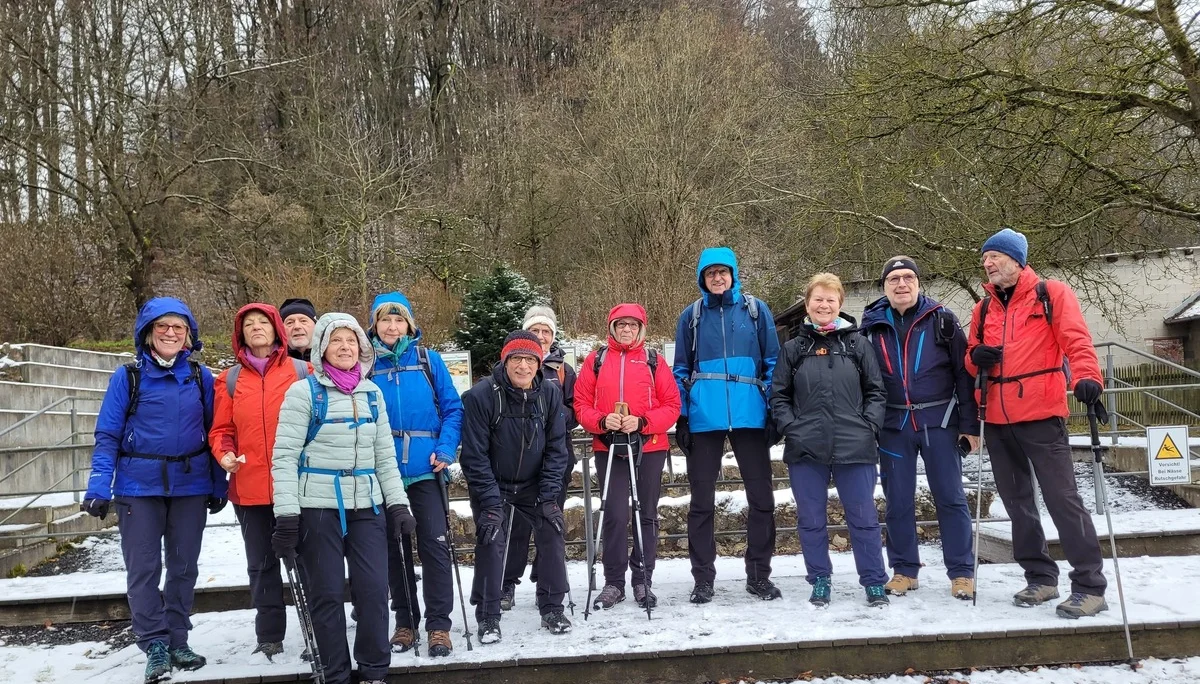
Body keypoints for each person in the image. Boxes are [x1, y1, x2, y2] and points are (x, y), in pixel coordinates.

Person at [965, 227, 1110, 619]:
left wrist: (1088, 377)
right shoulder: (983, 309)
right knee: (1017, 504)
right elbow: (969, 357)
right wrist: (975, 355)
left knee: (1063, 500)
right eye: (985, 258)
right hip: (996, 417)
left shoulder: (1050, 294)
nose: (988, 263)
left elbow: (1076, 340)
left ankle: (1090, 585)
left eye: (994, 256)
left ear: (1016, 259)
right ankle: (1040, 577)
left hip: (1042, 414)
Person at [81, 297, 227, 684]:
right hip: (137, 487)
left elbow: (216, 434)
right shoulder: (127, 377)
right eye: (162, 326)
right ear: (148, 333)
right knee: (143, 569)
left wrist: (217, 483)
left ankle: (178, 637)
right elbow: (108, 434)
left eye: (178, 328)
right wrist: (99, 485)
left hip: (190, 484)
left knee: (183, 567)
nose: (170, 333)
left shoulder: (200, 378)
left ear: (188, 336)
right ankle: (154, 642)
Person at [270, 313, 416, 684]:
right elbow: (284, 456)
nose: (345, 347)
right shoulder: (303, 393)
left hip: (367, 506)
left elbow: (385, 456)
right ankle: (335, 673)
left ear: (362, 348)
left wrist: (398, 504)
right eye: (336, 341)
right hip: (318, 509)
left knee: (371, 590)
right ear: (321, 349)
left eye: (352, 341)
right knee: (328, 593)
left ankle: (373, 671)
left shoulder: (372, 393)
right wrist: (287, 515)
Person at [861, 257, 980, 600]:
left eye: (908, 277)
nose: (902, 284)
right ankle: (903, 571)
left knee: (951, 497)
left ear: (918, 282)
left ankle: (961, 573)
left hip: (939, 421)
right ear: (884, 286)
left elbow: (964, 374)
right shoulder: (870, 326)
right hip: (893, 425)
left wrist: (969, 425)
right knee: (898, 500)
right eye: (894, 279)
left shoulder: (942, 320)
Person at [770, 273, 889, 607]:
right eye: (818, 299)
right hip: (806, 448)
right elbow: (778, 396)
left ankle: (873, 582)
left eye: (830, 299)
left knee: (864, 518)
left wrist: (869, 426)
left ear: (840, 304)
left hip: (856, 445)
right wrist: (792, 427)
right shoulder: (793, 348)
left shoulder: (858, 344)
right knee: (811, 520)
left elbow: (876, 391)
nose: (824, 305)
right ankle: (819, 579)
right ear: (808, 304)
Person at [671, 247, 781, 604]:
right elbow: (681, 369)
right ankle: (703, 579)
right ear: (702, 279)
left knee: (762, 499)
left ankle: (759, 575)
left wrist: (773, 410)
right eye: (710, 273)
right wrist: (683, 416)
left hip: (751, 416)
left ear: (734, 274)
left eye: (723, 272)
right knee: (701, 503)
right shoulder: (691, 316)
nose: (717, 278)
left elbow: (773, 361)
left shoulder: (755, 310)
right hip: (705, 419)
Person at [208, 303, 310, 659]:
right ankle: (269, 636)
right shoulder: (229, 379)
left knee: (306, 561)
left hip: (298, 486)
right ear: (240, 334)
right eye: (248, 324)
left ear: (276, 329)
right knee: (261, 565)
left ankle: (317, 632)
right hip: (249, 488)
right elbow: (221, 430)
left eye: (262, 322)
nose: (256, 328)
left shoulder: (303, 371)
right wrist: (224, 454)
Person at [367, 291, 464, 657]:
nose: (392, 327)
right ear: (374, 324)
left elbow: (454, 408)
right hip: (383, 472)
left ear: (409, 324)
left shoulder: (428, 360)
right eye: (385, 320)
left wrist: (445, 447)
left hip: (426, 468)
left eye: (399, 319)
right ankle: (405, 621)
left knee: (435, 547)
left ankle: (439, 625)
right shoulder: (364, 363)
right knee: (394, 550)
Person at [458, 331, 571, 643]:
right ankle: (488, 615)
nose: (523, 366)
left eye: (530, 359)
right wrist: (491, 503)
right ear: (505, 360)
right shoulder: (481, 396)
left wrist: (549, 495)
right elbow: (474, 455)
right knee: (491, 537)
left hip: (534, 484)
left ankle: (552, 606)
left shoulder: (549, 394)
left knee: (551, 530)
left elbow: (557, 449)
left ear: (539, 363)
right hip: (494, 483)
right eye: (517, 359)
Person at [575, 304, 681, 610]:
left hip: (648, 445)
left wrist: (644, 422)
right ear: (611, 328)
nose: (626, 330)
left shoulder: (653, 360)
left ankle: (642, 579)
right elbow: (581, 402)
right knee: (615, 514)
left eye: (633, 325)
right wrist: (600, 421)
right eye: (621, 324)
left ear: (641, 329)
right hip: (609, 447)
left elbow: (672, 404)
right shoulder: (596, 361)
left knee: (645, 513)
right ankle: (614, 582)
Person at [501, 305, 579, 611]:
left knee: (550, 523)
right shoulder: (516, 365)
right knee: (517, 526)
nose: (542, 336)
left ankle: (546, 583)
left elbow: (577, 408)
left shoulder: (564, 370)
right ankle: (507, 582)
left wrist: (551, 416)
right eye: (536, 330)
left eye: (546, 331)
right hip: (520, 459)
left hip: (556, 458)